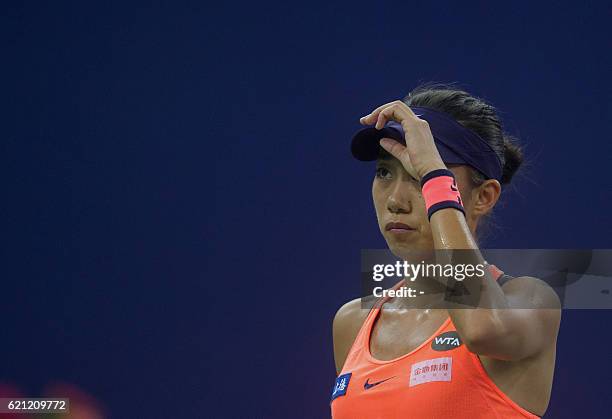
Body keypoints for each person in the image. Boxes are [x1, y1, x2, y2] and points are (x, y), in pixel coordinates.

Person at [331, 85, 561, 418]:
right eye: (384, 172)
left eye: (418, 176)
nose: (395, 201)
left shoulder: (531, 300)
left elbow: (481, 328)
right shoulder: (352, 322)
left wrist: (435, 177)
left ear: (483, 196)